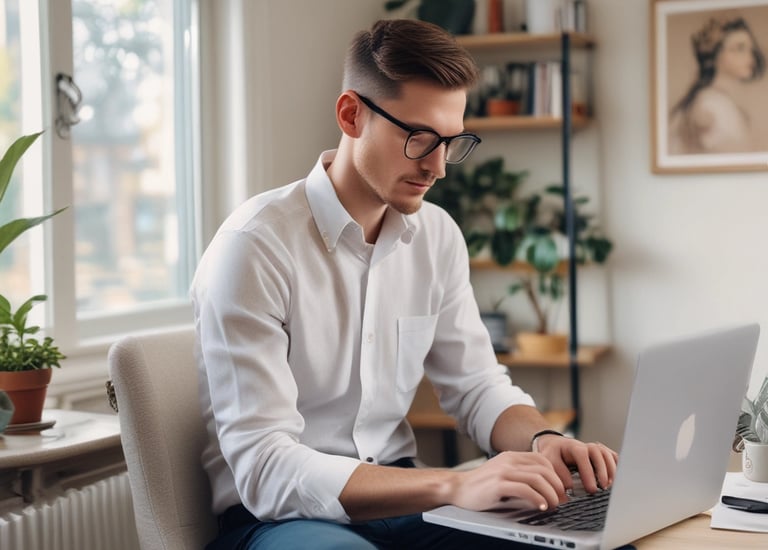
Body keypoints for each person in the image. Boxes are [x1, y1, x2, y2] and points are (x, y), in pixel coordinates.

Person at [191, 18, 618, 550]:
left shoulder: (436, 236)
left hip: (407, 506)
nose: (438, 167)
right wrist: (454, 484)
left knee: (598, 539)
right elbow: (266, 469)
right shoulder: (253, 247)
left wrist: (542, 439)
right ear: (351, 115)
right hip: (281, 520)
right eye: (419, 138)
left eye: (451, 141)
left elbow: (478, 386)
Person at [668, 14, 766, 155]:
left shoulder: (721, 102)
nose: (749, 57)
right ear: (715, 54)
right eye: (739, 48)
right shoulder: (711, 105)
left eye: (751, 49)